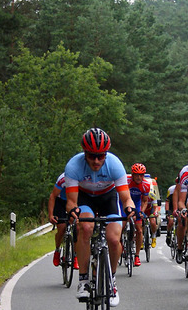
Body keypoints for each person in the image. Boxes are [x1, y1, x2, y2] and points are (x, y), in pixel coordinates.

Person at [65, 128, 135, 307]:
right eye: (91, 156)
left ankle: (111, 281)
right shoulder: (74, 166)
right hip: (85, 198)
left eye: (100, 156)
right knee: (86, 228)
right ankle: (83, 280)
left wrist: (129, 208)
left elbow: (126, 198)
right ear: (84, 153)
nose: (96, 161)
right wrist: (73, 212)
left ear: (106, 154)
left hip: (108, 197)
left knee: (113, 239)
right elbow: (72, 202)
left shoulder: (114, 164)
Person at [120, 163, 151, 267]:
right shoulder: (126, 181)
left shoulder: (146, 185)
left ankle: (137, 255)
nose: (139, 177)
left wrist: (141, 211)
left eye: (141, 175)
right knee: (121, 226)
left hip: (137, 204)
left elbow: (145, 201)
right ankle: (120, 246)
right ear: (132, 175)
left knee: (139, 230)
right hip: (123, 202)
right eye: (136, 175)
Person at [48, 173, 79, 270]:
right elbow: (53, 196)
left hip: (75, 201)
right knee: (61, 228)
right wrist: (51, 215)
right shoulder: (63, 179)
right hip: (60, 201)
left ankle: (75, 256)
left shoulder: (82, 178)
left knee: (77, 228)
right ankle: (57, 251)